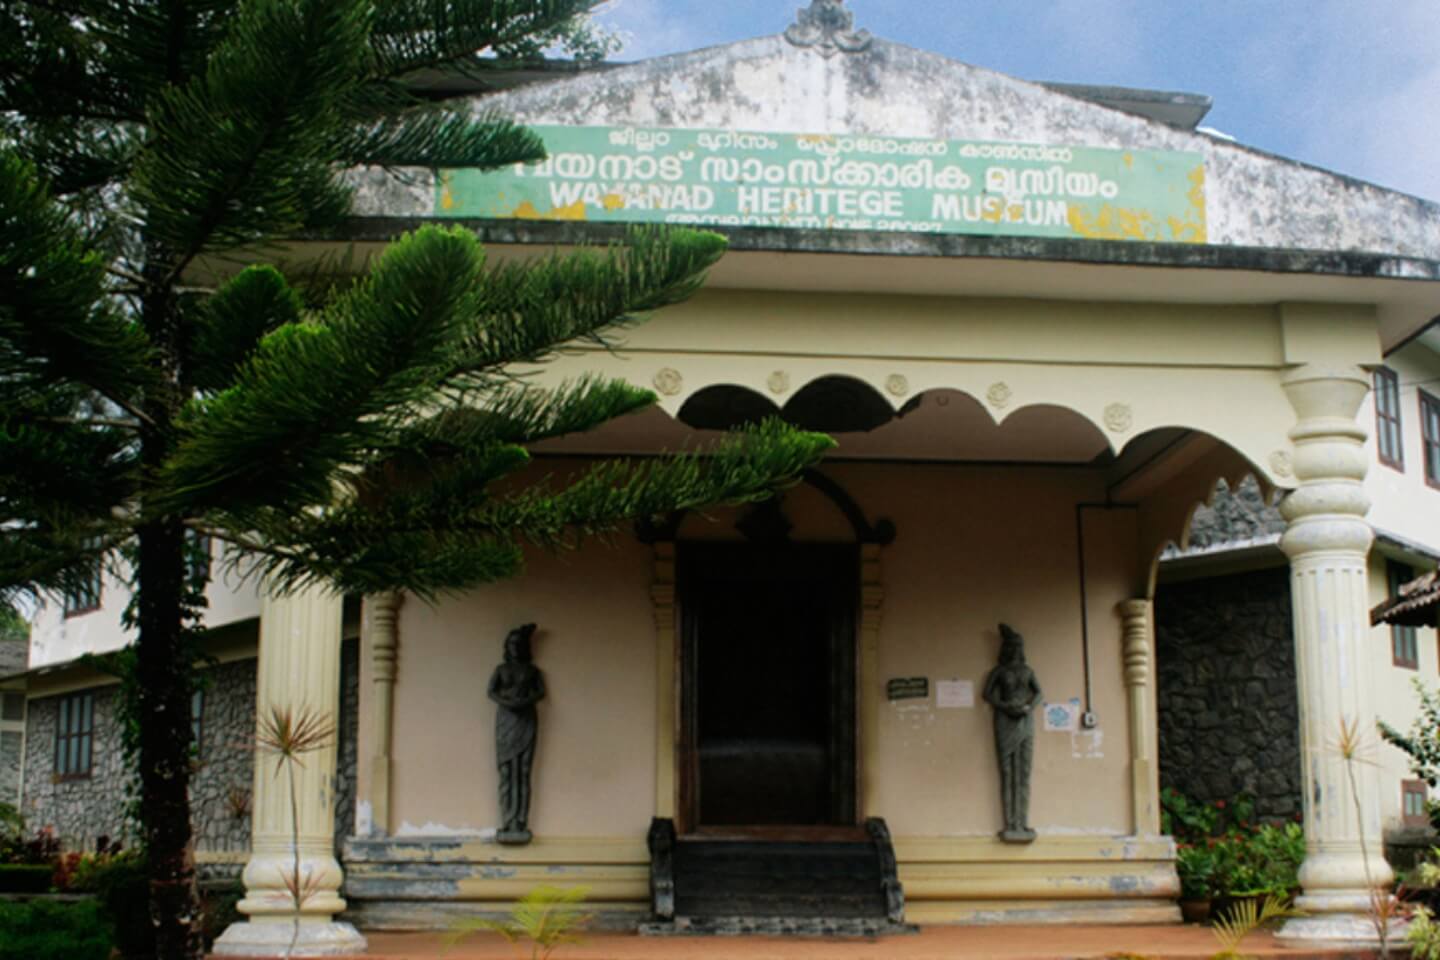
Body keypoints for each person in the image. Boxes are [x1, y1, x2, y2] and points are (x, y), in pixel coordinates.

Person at [982, 622, 1042, 842]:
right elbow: (987, 694)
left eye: (1019, 646)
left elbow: (1038, 693)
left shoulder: (1028, 671)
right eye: (1012, 646)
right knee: (1007, 772)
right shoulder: (999, 671)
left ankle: (1022, 822)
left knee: (1023, 771)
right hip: (1005, 720)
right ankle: (1010, 823)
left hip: (1024, 720)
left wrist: (1028, 707)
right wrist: (1004, 706)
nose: (1016, 650)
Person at [488, 623, 545, 844]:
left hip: (526, 718)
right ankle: (507, 819)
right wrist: (508, 702)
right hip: (506, 719)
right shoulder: (501, 669)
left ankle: (520, 820)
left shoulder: (532, 671)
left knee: (523, 770)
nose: (515, 647)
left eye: (518, 644)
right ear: (507, 646)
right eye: (512, 643)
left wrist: (524, 701)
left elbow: (540, 692)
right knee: (506, 771)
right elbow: (491, 691)